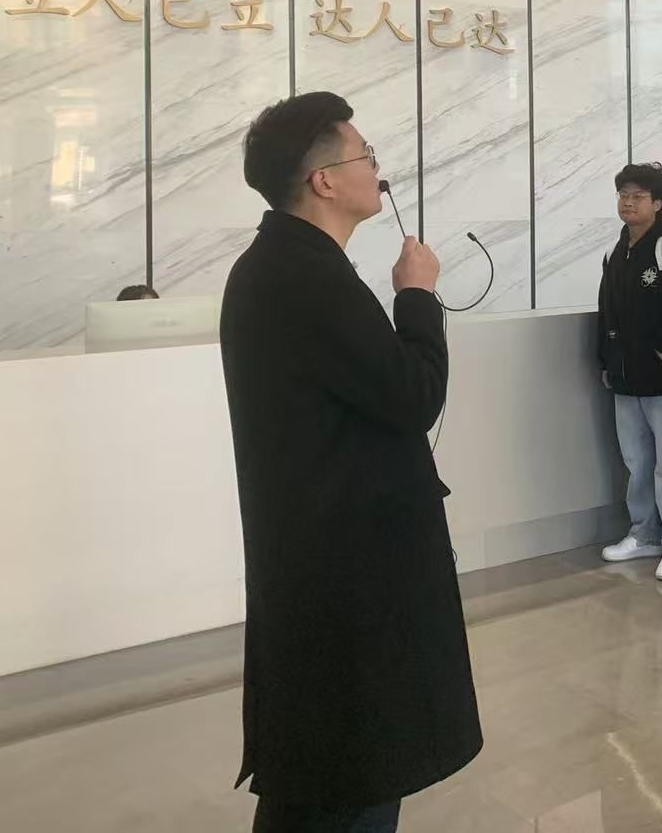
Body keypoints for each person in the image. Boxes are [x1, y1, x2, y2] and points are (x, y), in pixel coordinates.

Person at [220, 92, 480, 832]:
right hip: (346, 573)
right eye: (365, 155)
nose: (377, 169)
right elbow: (412, 395)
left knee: (323, 774)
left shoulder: (284, 266)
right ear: (325, 181)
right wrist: (418, 296)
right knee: (353, 771)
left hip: (324, 558)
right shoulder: (307, 277)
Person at [597, 162, 662, 580]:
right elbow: (606, 312)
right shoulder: (615, 251)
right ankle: (644, 534)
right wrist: (605, 361)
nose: (628, 202)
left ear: (658, 203)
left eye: (638, 196)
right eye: (623, 194)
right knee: (637, 461)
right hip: (625, 375)